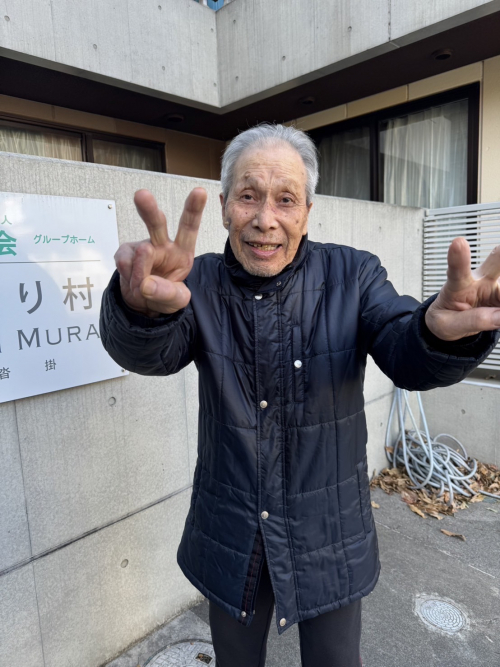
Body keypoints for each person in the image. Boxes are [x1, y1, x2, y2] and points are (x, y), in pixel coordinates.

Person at [99, 124, 500, 667]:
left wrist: (438, 333)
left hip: (329, 531)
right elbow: (154, 355)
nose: (265, 219)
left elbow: (403, 346)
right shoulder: (198, 283)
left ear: (307, 211)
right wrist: (141, 314)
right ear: (224, 207)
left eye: (285, 200)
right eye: (248, 196)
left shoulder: (353, 274)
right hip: (231, 530)